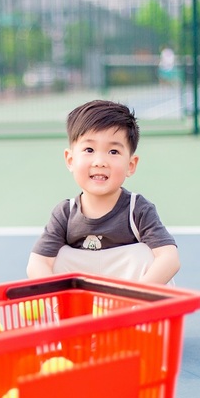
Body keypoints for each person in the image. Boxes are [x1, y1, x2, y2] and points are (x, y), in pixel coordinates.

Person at [26, 99, 180, 285]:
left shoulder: (137, 209)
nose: (100, 161)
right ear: (70, 160)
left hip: (130, 298)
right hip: (83, 300)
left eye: (113, 152)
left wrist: (137, 295)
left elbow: (170, 258)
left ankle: (145, 313)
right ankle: (67, 313)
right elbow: (37, 263)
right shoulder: (65, 213)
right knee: (57, 257)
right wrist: (56, 296)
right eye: (89, 149)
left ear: (131, 165)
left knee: (146, 255)